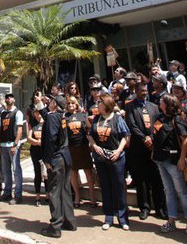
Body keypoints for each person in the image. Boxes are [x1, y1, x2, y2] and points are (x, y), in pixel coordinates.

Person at [152, 93, 187, 234]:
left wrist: (182, 158)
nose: (160, 102)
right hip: (160, 159)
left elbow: (185, 139)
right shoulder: (160, 118)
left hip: (173, 160)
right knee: (168, 190)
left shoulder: (177, 119)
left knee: (181, 191)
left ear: (169, 104)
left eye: (162, 101)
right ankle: (171, 220)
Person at [88, 93, 131, 230]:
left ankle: (123, 218)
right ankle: (108, 216)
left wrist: (118, 151)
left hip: (116, 157)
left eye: (99, 103)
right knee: (105, 187)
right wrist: (94, 146)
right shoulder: (96, 118)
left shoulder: (117, 119)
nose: (97, 105)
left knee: (118, 187)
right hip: (101, 158)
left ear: (106, 104)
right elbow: (90, 135)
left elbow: (126, 136)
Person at [125, 82, 167, 220]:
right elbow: (132, 125)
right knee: (141, 179)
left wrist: (152, 138)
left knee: (157, 179)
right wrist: (144, 138)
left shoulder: (154, 107)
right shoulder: (130, 106)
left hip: (154, 148)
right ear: (136, 91)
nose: (144, 93)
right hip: (138, 148)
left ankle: (160, 208)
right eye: (142, 91)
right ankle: (144, 207)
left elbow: (158, 124)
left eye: (146, 91)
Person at [41, 95, 76, 238]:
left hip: (56, 158)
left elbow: (50, 138)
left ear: (55, 104)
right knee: (65, 190)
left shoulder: (52, 117)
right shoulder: (62, 116)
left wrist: (48, 160)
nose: (49, 102)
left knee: (54, 191)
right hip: (65, 157)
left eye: (51, 101)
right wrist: (40, 105)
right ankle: (69, 221)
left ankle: (55, 226)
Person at [65, 96, 96, 207]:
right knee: (73, 173)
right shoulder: (65, 118)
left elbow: (89, 129)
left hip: (83, 147)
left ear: (76, 104)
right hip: (71, 148)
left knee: (88, 172)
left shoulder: (83, 116)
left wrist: (91, 143)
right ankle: (77, 197)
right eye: (68, 104)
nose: (70, 105)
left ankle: (93, 198)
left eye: (72, 103)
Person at [0, 92, 26, 204]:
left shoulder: (18, 113)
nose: (8, 99)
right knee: (6, 170)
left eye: (10, 97)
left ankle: (18, 195)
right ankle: (7, 192)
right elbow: (0, 130)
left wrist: (15, 144)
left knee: (16, 170)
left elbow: (19, 129)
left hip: (12, 145)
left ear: (14, 100)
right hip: (3, 145)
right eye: (7, 97)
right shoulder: (3, 113)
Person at [28, 98, 46, 207]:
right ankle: (38, 196)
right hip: (35, 151)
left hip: (45, 151)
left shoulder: (46, 122)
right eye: (35, 113)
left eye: (39, 113)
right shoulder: (33, 124)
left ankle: (48, 195)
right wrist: (37, 142)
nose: (38, 115)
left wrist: (41, 142)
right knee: (37, 173)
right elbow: (29, 138)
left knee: (47, 174)